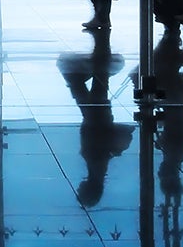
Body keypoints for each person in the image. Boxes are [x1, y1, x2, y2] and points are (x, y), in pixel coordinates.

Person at [57, 31, 135, 206]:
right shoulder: (97, 170)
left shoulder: (98, 172)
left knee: (96, 80)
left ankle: (101, 44)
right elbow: (97, 148)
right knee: (96, 79)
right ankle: (101, 40)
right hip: (96, 119)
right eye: (81, 191)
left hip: (96, 119)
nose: (78, 188)